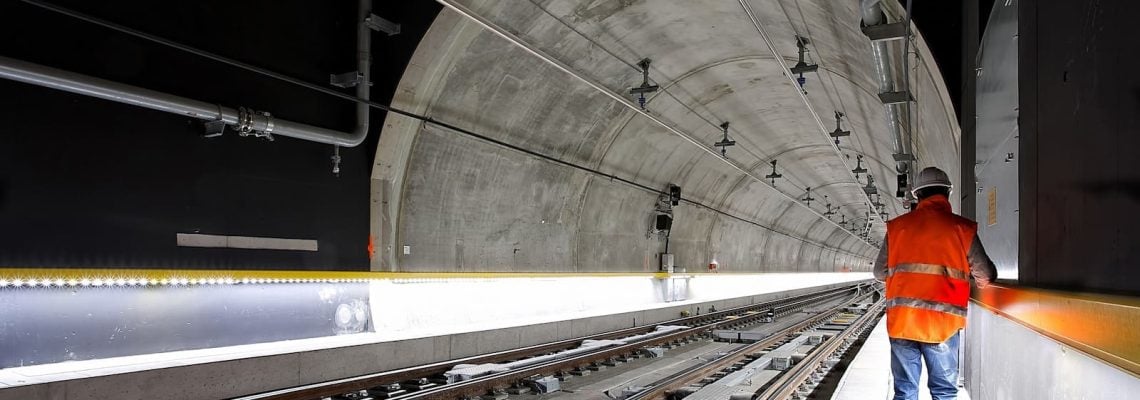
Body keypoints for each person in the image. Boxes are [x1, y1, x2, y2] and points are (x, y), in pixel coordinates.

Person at [873, 167, 998, 400]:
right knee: (943, 392)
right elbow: (985, 275)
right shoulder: (962, 229)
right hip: (942, 325)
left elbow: (879, 272)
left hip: (903, 323)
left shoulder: (897, 228)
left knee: (905, 391)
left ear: (917, 196)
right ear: (948, 193)